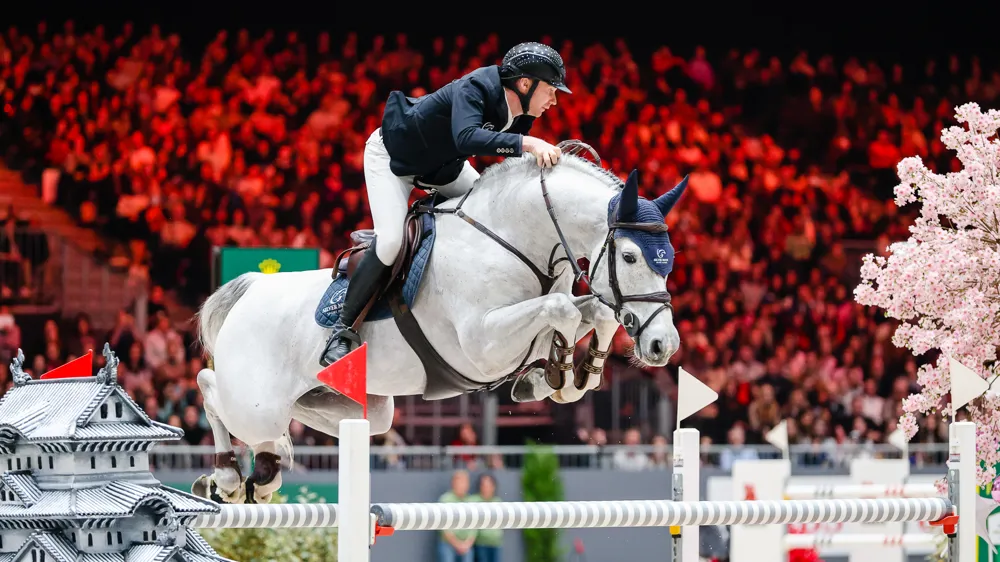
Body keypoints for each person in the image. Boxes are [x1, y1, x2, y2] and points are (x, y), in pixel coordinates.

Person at [319, 42, 572, 367]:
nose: (554, 100)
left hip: (443, 169)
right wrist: (529, 143)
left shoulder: (521, 113)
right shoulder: (476, 87)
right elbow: (467, 137)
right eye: (551, 90)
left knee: (491, 212)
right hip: (394, 161)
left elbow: (503, 155)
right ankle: (342, 330)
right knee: (391, 243)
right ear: (525, 84)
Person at [439, 469, 477, 562]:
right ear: (453, 483)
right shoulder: (445, 499)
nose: (463, 485)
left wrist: (467, 543)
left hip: (467, 545)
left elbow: (475, 525)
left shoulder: (471, 501)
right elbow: (444, 526)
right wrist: (457, 544)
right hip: (448, 544)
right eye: (460, 481)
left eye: (465, 482)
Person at [470, 473, 503, 562]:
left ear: (493, 487)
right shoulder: (474, 500)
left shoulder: (497, 502)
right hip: (481, 543)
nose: (486, 488)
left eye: (489, 485)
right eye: (484, 485)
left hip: (496, 543)